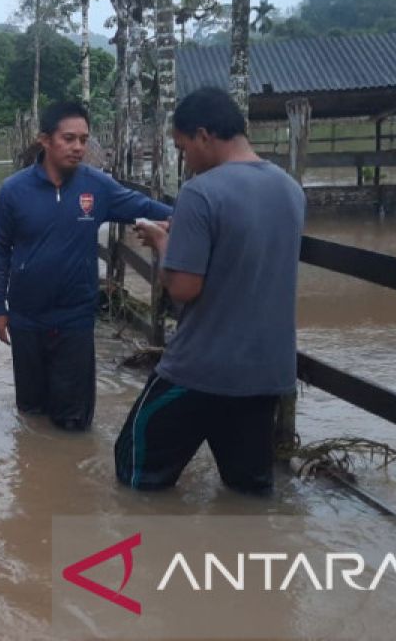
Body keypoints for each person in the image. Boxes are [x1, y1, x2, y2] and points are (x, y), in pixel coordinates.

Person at [114, 87, 305, 494]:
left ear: (203, 135)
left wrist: (164, 243)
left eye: (183, 148)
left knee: (134, 469)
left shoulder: (201, 192)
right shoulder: (290, 189)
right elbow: (242, 252)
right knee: (247, 488)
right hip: (267, 373)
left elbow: (184, 287)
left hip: (204, 368)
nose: (185, 161)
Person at [0, 101, 172, 430]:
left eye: (84, 140)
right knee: (31, 415)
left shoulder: (97, 187)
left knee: (73, 422)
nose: (78, 148)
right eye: (69, 139)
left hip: (75, 318)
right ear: (45, 140)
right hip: (26, 317)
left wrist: (199, 211)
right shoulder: (13, 191)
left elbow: (147, 207)